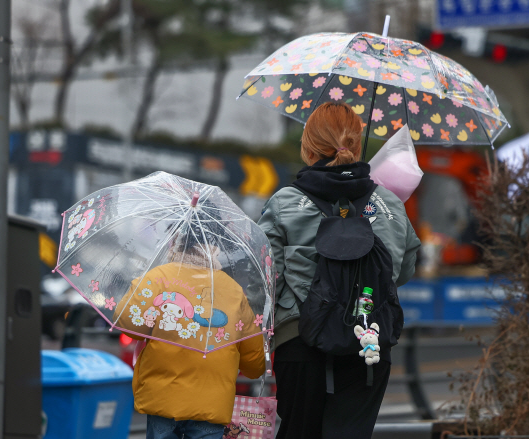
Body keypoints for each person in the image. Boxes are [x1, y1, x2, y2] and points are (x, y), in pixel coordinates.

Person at [257, 102, 421, 439]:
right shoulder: (389, 203)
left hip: (300, 343)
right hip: (370, 344)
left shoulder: (285, 202)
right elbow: (403, 271)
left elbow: (265, 277)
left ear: (309, 146)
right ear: (357, 144)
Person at [114, 225, 266, 439]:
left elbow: (126, 321)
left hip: (162, 398)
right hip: (211, 404)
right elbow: (254, 362)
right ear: (215, 249)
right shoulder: (233, 290)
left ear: (176, 243)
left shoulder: (158, 278)